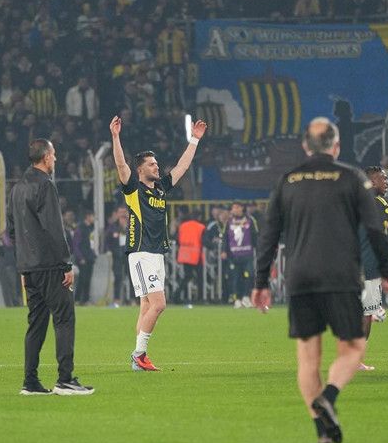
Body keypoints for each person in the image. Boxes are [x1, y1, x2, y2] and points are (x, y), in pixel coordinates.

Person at [252, 117, 388, 443]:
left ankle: (322, 430)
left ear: (305, 146)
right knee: (353, 347)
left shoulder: (288, 180)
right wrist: (387, 271)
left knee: (308, 358)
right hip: (341, 274)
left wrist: (261, 281)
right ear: (336, 146)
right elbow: (375, 229)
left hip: (300, 276)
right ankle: (329, 396)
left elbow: (269, 234)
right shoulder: (352, 178)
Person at [109, 115, 207, 372]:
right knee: (159, 304)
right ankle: (139, 355)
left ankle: (138, 358)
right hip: (141, 252)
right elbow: (120, 164)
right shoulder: (133, 188)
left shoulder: (161, 188)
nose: (157, 167)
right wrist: (116, 137)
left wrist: (194, 140)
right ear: (140, 170)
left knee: (146, 305)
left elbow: (182, 167)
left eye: (156, 163)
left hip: (156, 253)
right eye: (152, 164)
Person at [6, 138, 93, 396]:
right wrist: (66, 263)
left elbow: (12, 230)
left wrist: (23, 265)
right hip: (50, 266)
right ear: (46, 157)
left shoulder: (17, 188)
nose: (55, 159)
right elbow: (54, 228)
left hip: (29, 268)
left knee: (36, 324)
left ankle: (30, 382)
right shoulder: (45, 185)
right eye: (53, 154)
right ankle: (65, 380)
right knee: (64, 318)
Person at [358, 164, 388, 370]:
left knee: (364, 312)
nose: (387, 182)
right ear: (372, 181)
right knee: (366, 313)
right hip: (368, 265)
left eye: (387, 178)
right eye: (383, 178)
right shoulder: (376, 202)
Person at [223, 201, 258, 308]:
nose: (235, 209)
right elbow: (225, 237)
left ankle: (246, 297)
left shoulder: (250, 220)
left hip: (247, 254)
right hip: (233, 255)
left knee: (249, 275)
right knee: (235, 277)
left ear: (242, 208)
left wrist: (259, 249)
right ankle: (237, 299)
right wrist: (224, 251)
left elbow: (255, 235)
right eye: (233, 208)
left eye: (237, 207)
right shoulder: (229, 221)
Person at [72, 209, 96, 305]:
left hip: (90, 258)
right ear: (88, 216)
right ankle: (77, 299)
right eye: (92, 216)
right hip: (82, 258)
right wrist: (80, 257)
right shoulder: (80, 228)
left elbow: (91, 243)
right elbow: (75, 245)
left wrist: (93, 255)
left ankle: (85, 300)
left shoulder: (91, 228)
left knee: (88, 280)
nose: (93, 218)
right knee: (82, 279)